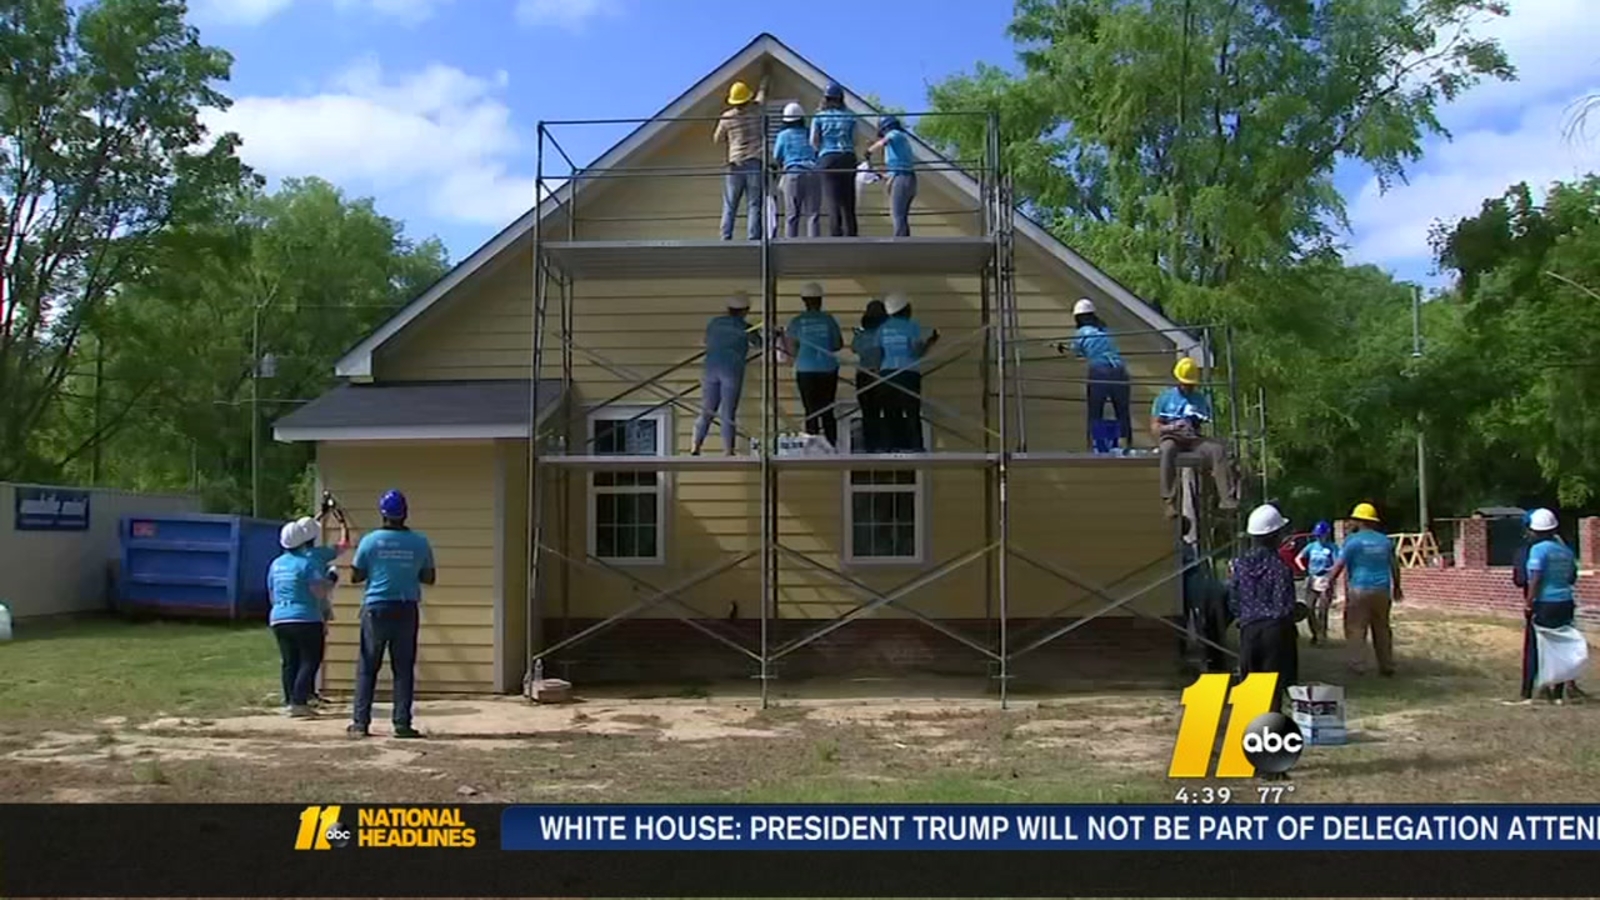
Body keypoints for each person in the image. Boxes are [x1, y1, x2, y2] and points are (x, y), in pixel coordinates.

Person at [349, 490, 436, 739]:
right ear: (405, 513)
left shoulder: (370, 540)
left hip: (376, 608)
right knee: (403, 668)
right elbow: (429, 577)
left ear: (382, 513)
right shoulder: (420, 541)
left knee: (368, 667)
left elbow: (356, 575)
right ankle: (402, 724)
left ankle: (360, 723)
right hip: (406, 608)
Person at [267, 509, 351, 718]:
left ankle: (290, 702)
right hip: (305, 617)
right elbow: (319, 591)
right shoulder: (306, 563)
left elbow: (271, 592)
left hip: (279, 617)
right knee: (310, 659)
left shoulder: (276, 564)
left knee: (290, 661)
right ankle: (299, 702)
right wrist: (332, 577)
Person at [1229, 504, 1301, 718]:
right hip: (1276, 632)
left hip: (1249, 630)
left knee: (1250, 683)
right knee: (1273, 687)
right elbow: (1285, 604)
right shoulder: (1280, 567)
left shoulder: (1240, 565)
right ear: (1275, 535)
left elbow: (1233, 599)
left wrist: (1244, 617)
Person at [1150, 357, 1238, 518]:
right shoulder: (1164, 398)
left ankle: (1226, 498)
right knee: (1167, 451)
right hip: (1172, 436)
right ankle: (1169, 501)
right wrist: (1172, 427)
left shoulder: (1199, 398)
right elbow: (1155, 427)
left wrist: (1196, 422)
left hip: (1194, 438)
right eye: (1185, 383)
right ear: (1178, 381)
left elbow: (1206, 421)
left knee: (1217, 450)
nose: (1189, 387)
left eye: (1191, 384)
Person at [1326, 502, 1401, 677]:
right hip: (1382, 589)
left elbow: (1339, 565)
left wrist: (1329, 584)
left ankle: (1357, 665)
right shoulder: (1385, 541)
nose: (1351, 523)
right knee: (1382, 628)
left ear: (1360, 521)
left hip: (1359, 588)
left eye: (1354, 520)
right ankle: (1386, 665)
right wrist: (1397, 586)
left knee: (1356, 627)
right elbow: (1394, 565)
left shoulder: (1352, 541)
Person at [1518, 508, 1580, 705]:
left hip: (1545, 603)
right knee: (1558, 647)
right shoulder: (1566, 551)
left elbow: (1535, 578)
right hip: (1566, 602)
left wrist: (1529, 603)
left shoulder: (1539, 550)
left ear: (1534, 530)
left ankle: (1527, 694)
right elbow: (1572, 577)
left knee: (1534, 647)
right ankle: (1557, 695)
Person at [691, 292, 761, 456]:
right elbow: (758, 344)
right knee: (728, 411)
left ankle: (696, 445)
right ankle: (728, 450)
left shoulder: (715, 323)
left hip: (710, 367)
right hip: (731, 368)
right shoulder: (745, 326)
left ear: (728, 308)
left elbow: (707, 341)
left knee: (707, 409)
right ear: (745, 310)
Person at [1058, 298, 1131, 452]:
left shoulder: (1082, 332)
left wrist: (1062, 348)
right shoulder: (1105, 330)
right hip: (1119, 369)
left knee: (1096, 410)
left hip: (1100, 370)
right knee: (1122, 410)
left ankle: (1096, 446)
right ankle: (1126, 444)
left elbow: (1076, 352)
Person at [873, 292, 939, 452]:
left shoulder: (882, 328)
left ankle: (891, 446)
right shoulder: (912, 326)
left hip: (887, 373)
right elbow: (917, 351)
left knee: (890, 412)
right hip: (908, 372)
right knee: (911, 411)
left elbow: (877, 354)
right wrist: (930, 342)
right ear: (905, 309)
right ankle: (915, 446)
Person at [782, 282, 843, 446]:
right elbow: (837, 344)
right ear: (820, 300)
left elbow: (791, 349)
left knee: (810, 410)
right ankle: (832, 445)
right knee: (828, 409)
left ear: (804, 300)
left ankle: (812, 447)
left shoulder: (797, 321)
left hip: (805, 369)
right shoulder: (829, 320)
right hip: (827, 368)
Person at [713, 78, 767, 241]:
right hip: (754, 161)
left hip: (735, 164)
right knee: (754, 203)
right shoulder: (757, 111)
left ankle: (725, 236)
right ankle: (753, 237)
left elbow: (717, 138)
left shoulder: (727, 117)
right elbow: (762, 96)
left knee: (730, 204)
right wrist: (764, 82)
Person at [811, 82, 860, 237]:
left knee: (833, 200)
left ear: (826, 98)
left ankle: (836, 235)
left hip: (828, 157)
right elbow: (855, 140)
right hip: (848, 157)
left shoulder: (819, 117)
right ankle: (851, 234)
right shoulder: (850, 117)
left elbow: (814, 141)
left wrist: (820, 151)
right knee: (849, 200)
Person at [772, 102, 820, 238]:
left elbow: (777, 156)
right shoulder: (809, 133)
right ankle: (814, 245)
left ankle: (790, 245)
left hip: (792, 173)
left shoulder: (783, 135)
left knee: (792, 214)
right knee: (813, 214)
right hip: (812, 173)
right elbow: (817, 149)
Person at [866, 115, 916, 236]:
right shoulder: (900, 142)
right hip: (905, 178)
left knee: (897, 214)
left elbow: (885, 141)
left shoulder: (895, 134)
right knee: (901, 215)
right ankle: (904, 241)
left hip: (901, 178)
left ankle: (900, 244)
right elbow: (895, 169)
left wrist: (869, 151)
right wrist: (880, 175)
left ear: (885, 128)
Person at [851, 299, 889, 453]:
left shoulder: (861, 334)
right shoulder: (885, 333)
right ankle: (885, 445)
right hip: (882, 374)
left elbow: (855, 349)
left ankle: (870, 446)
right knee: (886, 411)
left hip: (864, 375)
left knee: (868, 413)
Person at [1295, 521, 1340, 644]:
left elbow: (1338, 563)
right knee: (1309, 607)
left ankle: (1322, 635)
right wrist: (1303, 569)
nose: (1319, 538)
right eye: (1317, 535)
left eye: (1321, 535)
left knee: (1323, 609)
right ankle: (1314, 632)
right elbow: (1298, 558)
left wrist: (1330, 572)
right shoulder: (1311, 546)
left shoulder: (1332, 547)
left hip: (1325, 578)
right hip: (1312, 577)